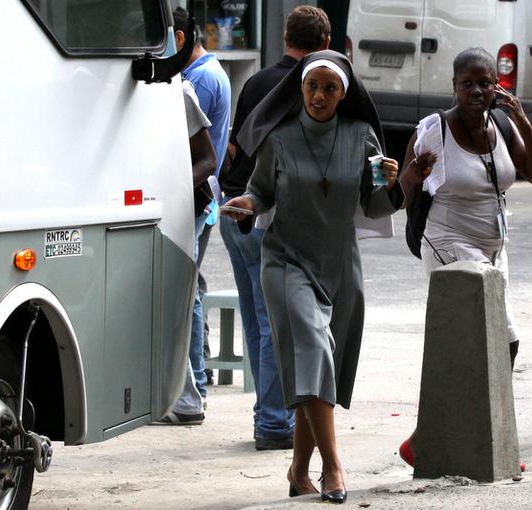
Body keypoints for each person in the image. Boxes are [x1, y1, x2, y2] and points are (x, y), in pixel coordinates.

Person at [223, 50, 403, 504]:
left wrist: (397, 182)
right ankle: (334, 466)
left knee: (317, 368)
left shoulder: (362, 137)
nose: (319, 96)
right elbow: (260, 191)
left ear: (344, 94)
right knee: (314, 350)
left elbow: (376, 205)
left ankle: (299, 470)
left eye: (330, 88)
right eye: (311, 87)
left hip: (341, 266)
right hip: (286, 260)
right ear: (299, 88)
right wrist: (247, 206)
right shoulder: (280, 138)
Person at [396, 47, 532, 466]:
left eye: (485, 83)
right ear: (454, 86)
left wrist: (520, 117)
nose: (478, 91)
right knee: (504, 339)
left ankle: (440, 436)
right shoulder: (434, 130)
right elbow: (402, 195)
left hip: (494, 248)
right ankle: (487, 436)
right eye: (468, 84)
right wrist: (414, 174)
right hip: (447, 242)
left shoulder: (501, 123)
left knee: (482, 344)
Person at [219, 5, 331, 451]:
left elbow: (234, 146)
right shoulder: (307, 90)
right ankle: (272, 422)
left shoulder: (257, 81)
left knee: (256, 320)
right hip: (266, 213)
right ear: (324, 44)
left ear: (285, 37)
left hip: (232, 208)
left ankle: (269, 413)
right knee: (276, 325)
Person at [173, 7, 232, 400]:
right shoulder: (205, 74)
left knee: (187, 290)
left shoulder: (199, 80)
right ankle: (197, 377)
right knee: (191, 286)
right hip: (202, 196)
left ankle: (193, 386)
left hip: (197, 197)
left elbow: (199, 153)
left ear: (178, 40)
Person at [154, 79, 218, 424]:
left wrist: (171, 190)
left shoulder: (179, 92)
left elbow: (208, 160)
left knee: (182, 297)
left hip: (187, 209)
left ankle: (190, 398)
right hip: (155, 209)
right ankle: (183, 395)